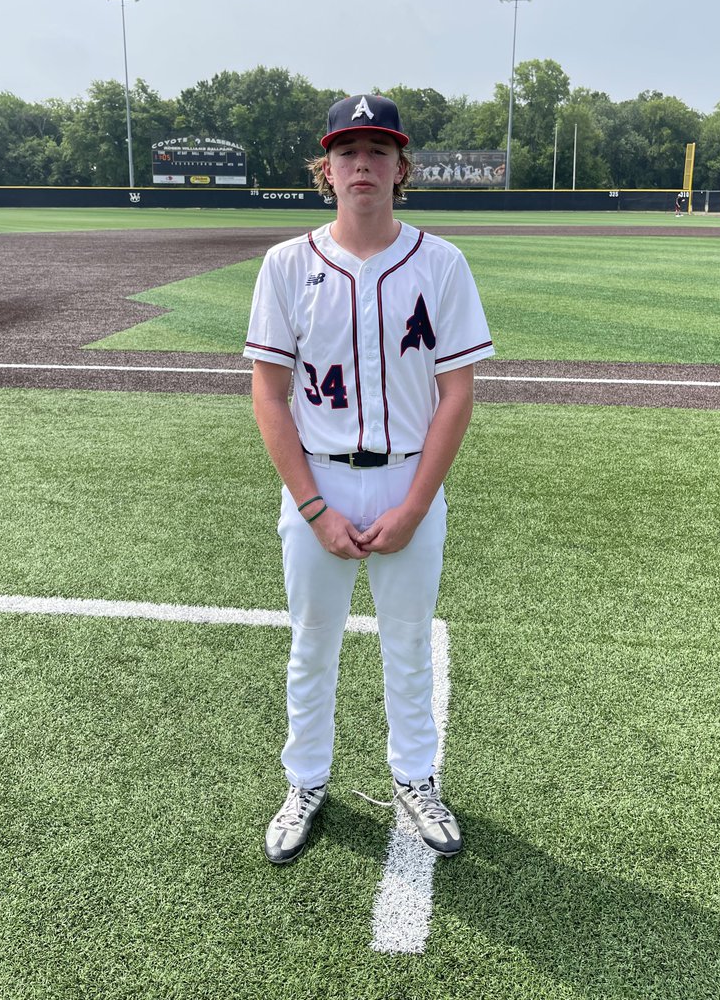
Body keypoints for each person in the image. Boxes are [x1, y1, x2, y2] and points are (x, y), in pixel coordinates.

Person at [244, 94, 494, 866]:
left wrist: (415, 508)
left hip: (408, 479)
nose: (362, 164)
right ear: (327, 169)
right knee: (311, 646)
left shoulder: (442, 263)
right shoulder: (287, 264)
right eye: (348, 151)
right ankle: (306, 781)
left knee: (408, 644)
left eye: (378, 151)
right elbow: (268, 393)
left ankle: (415, 779)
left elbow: (458, 392)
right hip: (318, 481)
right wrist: (314, 508)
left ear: (400, 169)